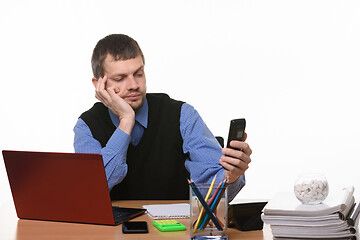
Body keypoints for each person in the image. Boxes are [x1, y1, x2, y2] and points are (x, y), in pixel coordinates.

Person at [73, 34, 252, 201]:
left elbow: (210, 192)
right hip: (113, 233)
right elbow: (94, 191)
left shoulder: (181, 115)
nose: (134, 85)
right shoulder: (87, 126)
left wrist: (231, 176)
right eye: (120, 78)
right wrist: (126, 120)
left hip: (175, 231)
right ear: (99, 85)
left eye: (139, 74)